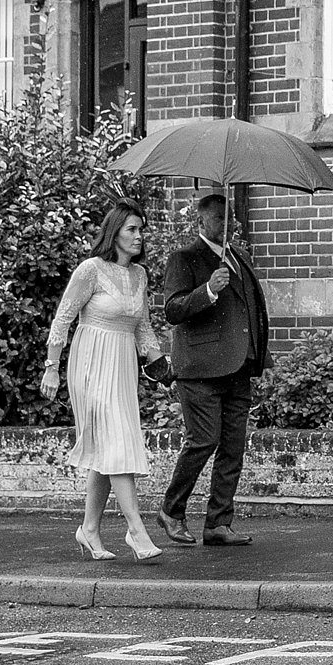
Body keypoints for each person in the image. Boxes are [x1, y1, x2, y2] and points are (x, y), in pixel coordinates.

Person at [42, 204, 168, 562]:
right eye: (131, 229)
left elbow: (142, 327)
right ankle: (136, 531)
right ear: (114, 233)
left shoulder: (140, 275)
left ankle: (90, 530)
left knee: (106, 447)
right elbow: (62, 319)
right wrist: (51, 367)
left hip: (122, 364)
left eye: (141, 229)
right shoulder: (91, 270)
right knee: (116, 440)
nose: (139, 235)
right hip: (90, 361)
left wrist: (160, 365)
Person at [159, 191, 270, 548]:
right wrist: (207, 290)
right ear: (201, 222)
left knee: (233, 448)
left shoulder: (238, 257)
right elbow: (173, 310)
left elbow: (250, 310)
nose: (228, 225)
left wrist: (258, 354)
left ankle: (218, 523)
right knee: (203, 441)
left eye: (231, 218)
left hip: (239, 368)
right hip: (201, 370)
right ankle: (171, 511)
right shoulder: (185, 259)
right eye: (220, 219)